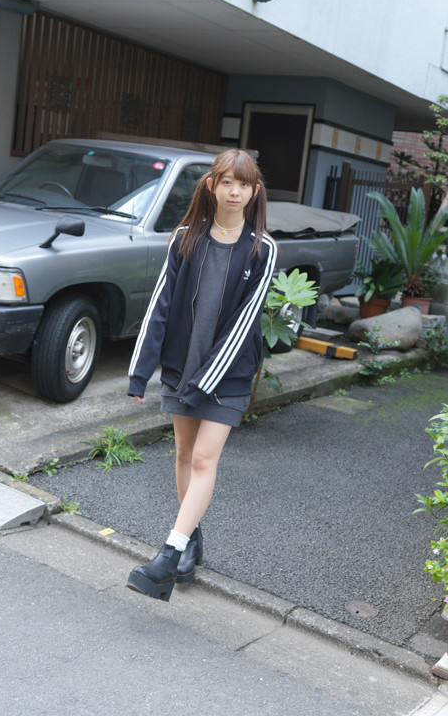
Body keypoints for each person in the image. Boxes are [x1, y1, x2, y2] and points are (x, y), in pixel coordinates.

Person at [126, 148, 277, 601]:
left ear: (255, 192)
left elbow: (244, 324)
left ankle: (167, 556)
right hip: (182, 366)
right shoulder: (184, 239)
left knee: (204, 459)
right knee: (183, 454)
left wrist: (206, 382)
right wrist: (140, 372)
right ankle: (190, 538)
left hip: (228, 376)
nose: (235, 191)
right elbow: (160, 306)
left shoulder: (262, 249)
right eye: (227, 181)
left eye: (244, 184)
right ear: (211, 186)